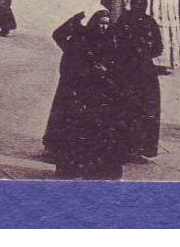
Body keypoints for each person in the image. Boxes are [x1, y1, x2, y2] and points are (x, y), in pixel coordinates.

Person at [46, 11, 132, 179]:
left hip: (100, 94)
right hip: (81, 92)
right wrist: (75, 20)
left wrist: (107, 72)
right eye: (101, 23)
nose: (103, 27)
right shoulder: (82, 40)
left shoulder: (111, 41)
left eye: (107, 24)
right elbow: (60, 38)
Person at [115, 0, 164, 162]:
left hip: (135, 71)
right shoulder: (145, 22)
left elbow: (158, 47)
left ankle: (133, 147)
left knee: (137, 109)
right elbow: (158, 48)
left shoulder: (126, 20)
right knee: (137, 109)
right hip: (137, 71)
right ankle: (131, 148)